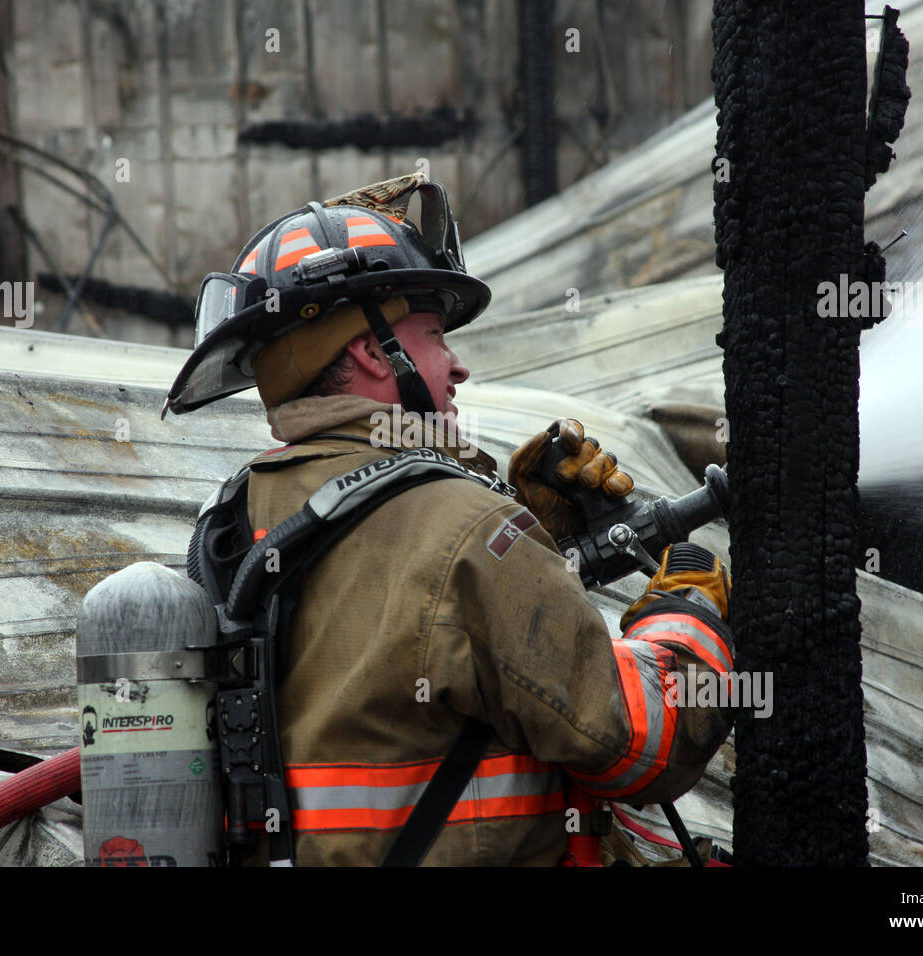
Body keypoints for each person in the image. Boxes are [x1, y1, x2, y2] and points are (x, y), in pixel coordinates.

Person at [164, 172, 734, 866]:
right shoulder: (464, 529)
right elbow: (640, 747)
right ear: (374, 353)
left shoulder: (229, 521)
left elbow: (409, 640)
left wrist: (535, 539)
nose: (457, 366)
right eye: (434, 333)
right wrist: (688, 614)